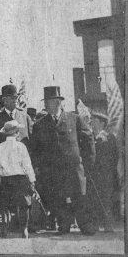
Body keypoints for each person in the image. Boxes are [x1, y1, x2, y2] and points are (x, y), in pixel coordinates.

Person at [30, 86, 96, 235]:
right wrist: (39, 166)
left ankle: (85, 225)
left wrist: (87, 162)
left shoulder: (74, 119)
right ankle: (63, 225)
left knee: (79, 195)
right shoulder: (39, 124)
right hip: (52, 170)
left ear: (58, 102)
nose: (47, 105)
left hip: (74, 168)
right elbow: (35, 149)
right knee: (57, 198)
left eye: (50, 102)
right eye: (46, 102)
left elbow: (88, 139)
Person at [0, 120, 36, 238]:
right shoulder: (21, 146)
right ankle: (24, 230)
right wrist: (32, 180)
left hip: (6, 179)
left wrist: (3, 174)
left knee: (5, 205)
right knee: (24, 205)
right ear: (17, 133)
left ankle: (4, 229)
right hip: (20, 179)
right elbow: (27, 165)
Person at [0, 84, 33, 158]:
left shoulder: (25, 116)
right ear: (4, 100)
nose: (15, 100)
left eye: (16, 97)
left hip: (23, 159)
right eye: (12, 98)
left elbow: (33, 137)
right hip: (4, 161)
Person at [89, 112, 117, 232]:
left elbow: (114, 156)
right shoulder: (89, 136)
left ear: (102, 123)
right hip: (93, 173)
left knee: (106, 199)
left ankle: (108, 224)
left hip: (106, 174)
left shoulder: (109, 137)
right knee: (93, 198)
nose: (91, 122)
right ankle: (95, 224)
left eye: (94, 120)